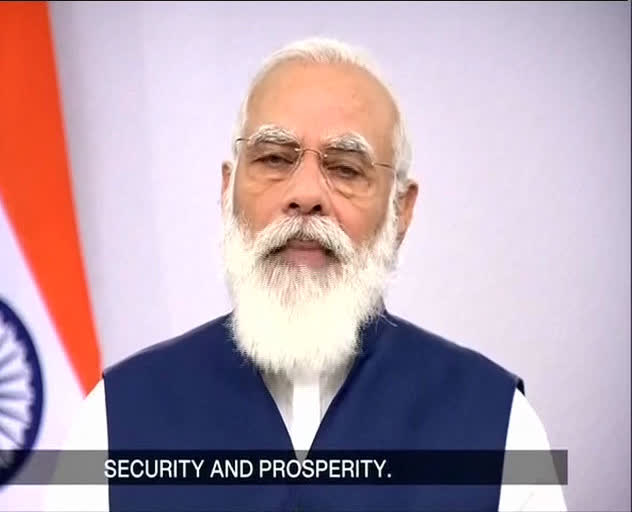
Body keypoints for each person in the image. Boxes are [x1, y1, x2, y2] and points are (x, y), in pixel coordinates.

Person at [55, 37, 567, 511]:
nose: (305, 194)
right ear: (228, 189)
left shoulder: (498, 429)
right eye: (275, 159)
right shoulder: (114, 421)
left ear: (401, 211)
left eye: (346, 168)